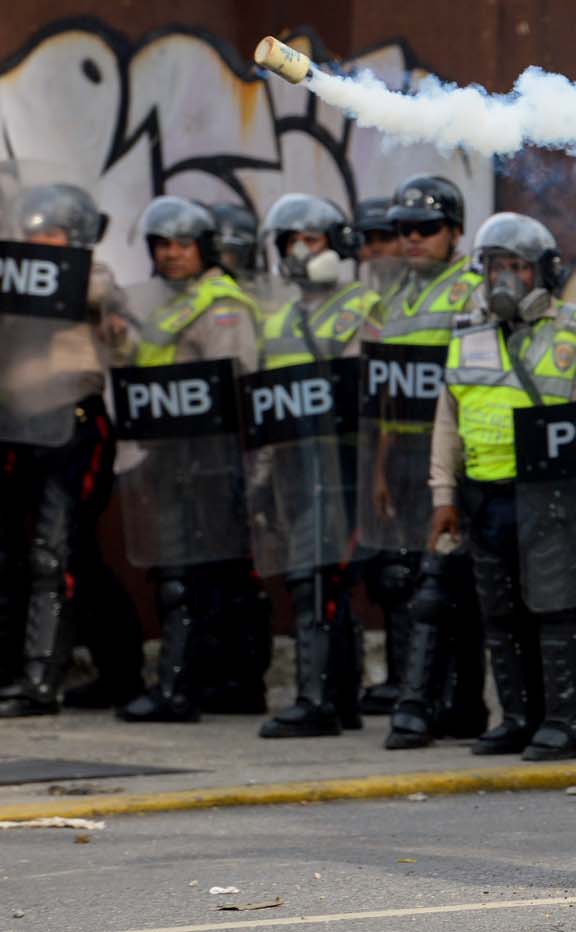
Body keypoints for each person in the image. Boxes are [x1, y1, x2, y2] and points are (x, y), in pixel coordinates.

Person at [429, 211, 576, 761]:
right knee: (499, 615)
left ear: (543, 272)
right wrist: (443, 497)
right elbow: (447, 419)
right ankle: (517, 718)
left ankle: (563, 723)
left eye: (517, 266)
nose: (504, 278)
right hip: (486, 499)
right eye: (496, 265)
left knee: (555, 609)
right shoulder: (467, 331)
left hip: (555, 498)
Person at [107, 196, 262, 722]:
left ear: (205, 248)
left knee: (192, 578)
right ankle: (224, 683)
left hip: (211, 461)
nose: (171, 254)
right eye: (161, 245)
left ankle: (181, 689)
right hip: (168, 458)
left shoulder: (221, 305)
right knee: (196, 577)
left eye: (182, 244)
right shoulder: (169, 305)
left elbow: (235, 382)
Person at [0, 179, 138, 716]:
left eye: (52, 231)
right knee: (50, 557)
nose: (41, 239)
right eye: (35, 230)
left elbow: (122, 331)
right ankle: (116, 669)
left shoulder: (91, 278)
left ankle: (41, 681)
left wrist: (100, 306)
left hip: (75, 426)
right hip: (17, 430)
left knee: (54, 553)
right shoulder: (13, 280)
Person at [364, 175, 489, 748]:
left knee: (443, 584)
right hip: (408, 452)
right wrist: (383, 467)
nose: (412, 239)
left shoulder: (471, 288)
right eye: (403, 229)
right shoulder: (394, 294)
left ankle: (427, 706)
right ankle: (457, 706)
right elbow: (389, 390)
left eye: (426, 228)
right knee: (418, 575)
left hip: (458, 449)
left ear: (455, 232)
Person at [252, 194, 381, 739]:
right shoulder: (278, 318)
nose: (300, 251)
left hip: (345, 463)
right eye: (290, 242)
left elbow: (374, 396)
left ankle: (318, 699)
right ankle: (340, 698)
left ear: (340, 245)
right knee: (314, 576)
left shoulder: (363, 307)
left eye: (313, 239)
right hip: (292, 467)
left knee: (319, 577)